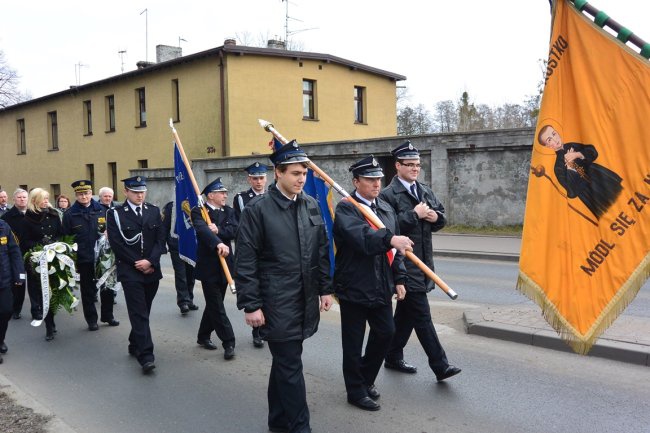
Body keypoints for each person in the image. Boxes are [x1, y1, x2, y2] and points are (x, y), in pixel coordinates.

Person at [235, 141, 333, 433]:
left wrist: (325, 288)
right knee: (291, 367)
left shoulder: (311, 204)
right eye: (294, 173)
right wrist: (251, 304)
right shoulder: (258, 210)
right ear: (277, 173)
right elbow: (246, 260)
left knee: (285, 364)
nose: (301, 178)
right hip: (275, 301)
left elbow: (322, 249)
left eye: (304, 172)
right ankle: (301, 428)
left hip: (304, 299)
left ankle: (277, 423)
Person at [333, 155, 411, 411]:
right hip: (354, 285)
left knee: (386, 333)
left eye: (378, 179)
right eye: (369, 179)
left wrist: (399, 277)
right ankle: (355, 391)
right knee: (353, 343)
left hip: (381, 285)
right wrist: (389, 240)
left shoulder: (385, 209)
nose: (376, 184)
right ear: (356, 181)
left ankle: (365, 378)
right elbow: (363, 238)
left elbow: (395, 250)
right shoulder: (347, 208)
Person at [380, 141, 462, 383]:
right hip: (404, 263)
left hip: (424, 260)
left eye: (417, 164)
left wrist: (435, 216)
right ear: (397, 166)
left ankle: (393, 356)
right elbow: (388, 229)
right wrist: (413, 215)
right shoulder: (388, 194)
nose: (415, 169)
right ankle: (440, 365)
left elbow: (441, 217)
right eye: (409, 165)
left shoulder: (424, 190)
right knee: (422, 316)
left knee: (407, 314)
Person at [106, 176, 165, 374]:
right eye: (135, 192)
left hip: (152, 270)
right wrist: (137, 263)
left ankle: (134, 341)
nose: (140, 195)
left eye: (142, 191)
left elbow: (160, 240)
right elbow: (117, 243)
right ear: (126, 192)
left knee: (144, 311)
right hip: (130, 271)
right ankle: (146, 355)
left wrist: (151, 262)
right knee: (138, 312)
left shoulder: (154, 211)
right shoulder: (115, 214)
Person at [62, 180, 119, 331]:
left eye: (86, 193)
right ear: (76, 195)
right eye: (80, 194)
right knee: (88, 291)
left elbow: (114, 230)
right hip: (84, 258)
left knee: (107, 288)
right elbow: (66, 239)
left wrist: (109, 234)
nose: (84, 196)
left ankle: (108, 316)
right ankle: (91, 320)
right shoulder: (70, 215)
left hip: (103, 258)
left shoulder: (103, 210)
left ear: (91, 193)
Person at [191, 178, 237, 359]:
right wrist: (217, 242)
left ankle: (203, 336)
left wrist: (218, 230)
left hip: (225, 265)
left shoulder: (229, 211)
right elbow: (202, 231)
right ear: (211, 195)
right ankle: (229, 341)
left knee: (214, 303)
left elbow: (235, 230)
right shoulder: (199, 212)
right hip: (209, 266)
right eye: (221, 192)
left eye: (225, 192)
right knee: (217, 305)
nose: (225, 195)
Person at [538, 125, 623, 220]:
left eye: (554, 134)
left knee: (623, 197)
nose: (555, 139)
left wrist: (577, 154)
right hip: (590, 193)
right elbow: (571, 192)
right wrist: (570, 169)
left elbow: (593, 151)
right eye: (549, 140)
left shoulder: (572, 146)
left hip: (600, 177)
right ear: (547, 146)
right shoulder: (558, 167)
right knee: (612, 216)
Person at [232, 161, 268, 348]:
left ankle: (267, 327)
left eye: (261, 178)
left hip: (269, 250)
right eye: (255, 178)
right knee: (255, 288)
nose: (259, 182)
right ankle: (257, 332)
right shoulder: (241, 198)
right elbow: (241, 226)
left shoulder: (272, 196)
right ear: (249, 179)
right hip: (250, 247)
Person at [22, 188, 64, 340]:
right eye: (43, 198)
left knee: (54, 291)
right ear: (34, 201)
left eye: (47, 198)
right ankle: (49, 325)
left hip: (54, 257)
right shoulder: (27, 219)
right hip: (37, 260)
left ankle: (51, 320)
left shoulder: (54, 215)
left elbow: (60, 233)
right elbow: (25, 241)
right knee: (43, 293)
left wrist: (55, 243)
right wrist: (40, 244)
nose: (47, 201)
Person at [162, 200, 198, 315]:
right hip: (176, 245)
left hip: (191, 245)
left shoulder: (195, 203)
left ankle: (190, 298)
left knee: (191, 273)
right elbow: (165, 226)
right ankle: (183, 302)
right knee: (180, 274)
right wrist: (164, 244)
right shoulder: (171, 206)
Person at [1, 189, 30, 320]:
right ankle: (16, 308)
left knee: (35, 283)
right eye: (19, 197)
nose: (22, 199)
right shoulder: (6, 218)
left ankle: (36, 308)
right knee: (18, 283)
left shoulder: (33, 214)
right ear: (14, 200)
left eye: (24, 197)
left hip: (32, 252)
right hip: (16, 254)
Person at [0, 219, 26, 363]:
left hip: (4, 279)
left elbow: (14, 251)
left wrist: (19, 274)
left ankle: (1, 339)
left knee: (6, 311)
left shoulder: (3, 226)